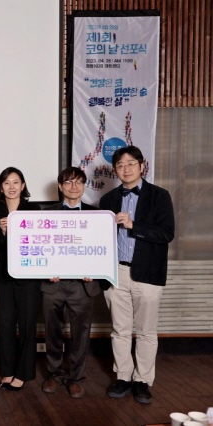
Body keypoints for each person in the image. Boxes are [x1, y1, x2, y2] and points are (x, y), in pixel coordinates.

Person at [99, 146, 174, 404]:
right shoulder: (108, 200)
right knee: (119, 330)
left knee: (146, 331)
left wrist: (134, 226)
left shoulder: (160, 196)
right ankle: (122, 377)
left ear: (142, 166)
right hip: (116, 272)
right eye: (120, 165)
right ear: (115, 170)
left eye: (131, 163)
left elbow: (166, 233)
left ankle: (142, 380)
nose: (126, 169)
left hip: (148, 273)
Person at [40, 166, 103, 399]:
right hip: (53, 283)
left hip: (83, 285)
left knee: (81, 334)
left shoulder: (99, 215)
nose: (73, 186)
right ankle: (54, 374)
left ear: (84, 185)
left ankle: (76, 378)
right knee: (52, 332)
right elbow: (39, 247)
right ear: (60, 186)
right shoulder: (46, 214)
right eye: (68, 182)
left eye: (78, 182)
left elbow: (104, 248)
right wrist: (47, 269)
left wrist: (95, 270)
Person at [0, 167, 41, 391]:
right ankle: (8, 370)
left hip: (29, 275)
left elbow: (39, 241)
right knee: (5, 323)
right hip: (3, 274)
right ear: (1, 187)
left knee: (27, 323)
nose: (11, 187)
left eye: (15, 182)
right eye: (6, 183)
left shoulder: (33, 209)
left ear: (23, 186)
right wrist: (3, 234)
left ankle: (24, 373)